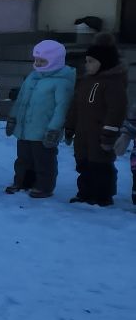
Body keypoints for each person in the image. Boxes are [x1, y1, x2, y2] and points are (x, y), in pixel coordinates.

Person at [6, 41, 74, 198]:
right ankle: (22, 182)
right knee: (23, 159)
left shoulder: (62, 82)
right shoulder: (32, 77)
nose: (37, 63)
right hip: (24, 128)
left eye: (42, 61)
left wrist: (54, 129)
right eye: (36, 60)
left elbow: (61, 108)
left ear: (55, 61)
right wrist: (13, 118)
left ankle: (44, 186)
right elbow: (21, 99)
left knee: (44, 160)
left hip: (43, 130)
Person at [67, 40, 127, 206]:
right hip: (82, 133)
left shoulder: (113, 84)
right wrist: (70, 127)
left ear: (104, 62)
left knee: (101, 166)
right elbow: (75, 106)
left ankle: (103, 195)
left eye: (91, 61)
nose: (87, 65)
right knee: (83, 164)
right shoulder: (86, 82)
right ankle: (85, 193)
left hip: (100, 134)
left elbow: (116, 111)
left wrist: (108, 135)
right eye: (86, 61)